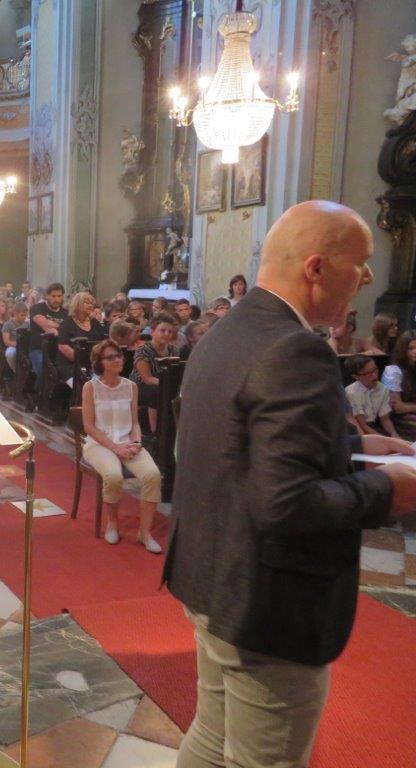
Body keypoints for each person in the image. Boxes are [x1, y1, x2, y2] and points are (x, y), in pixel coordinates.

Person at [164, 200, 416, 768]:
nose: (368, 276)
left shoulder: (229, 329)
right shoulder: (294, 347)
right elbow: (287, 503)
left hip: (211, 572)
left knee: (211, 736)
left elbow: (242, 442)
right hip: (264, 599)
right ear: (316, 267)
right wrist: (391, 490)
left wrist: (351, 445)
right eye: (360, 261)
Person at [80, 340, 163, 553]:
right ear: (100, 362)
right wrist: (115, 448)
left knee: (153, 475)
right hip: (98, 444)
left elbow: (135, 422)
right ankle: (112, 522)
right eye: (111, 357)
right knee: (113, 476)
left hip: (127, 441)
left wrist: (136, 443)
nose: (117, 360)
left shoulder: (130, 386)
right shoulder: (91, 387)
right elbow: (89, 426)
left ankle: (144, 533)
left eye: (119, 356)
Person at [129, 310, 178, 432]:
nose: (166, 334)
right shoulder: (143, 350)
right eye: (163, 330)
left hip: (165, 384)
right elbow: (147, 378)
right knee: (156, 392)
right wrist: (167, 384)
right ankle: (155, 431)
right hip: (140, 387)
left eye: (170, 331)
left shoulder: (174, 350)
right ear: (152, 332)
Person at [344, 355, 400, 438]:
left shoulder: (383, 388)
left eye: (375, 370)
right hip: (357, 429)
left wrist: (394, 434)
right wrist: (385, 439)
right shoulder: (351, 392)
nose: (374, 375)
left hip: (375, 426)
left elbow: (385, 419)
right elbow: (362, 425)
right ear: (356, 377)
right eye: (368, 373)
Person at [56, 292, 106, 384]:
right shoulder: (67, 324)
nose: (90, 305)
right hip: (72, 365)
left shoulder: (95, 322)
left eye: (91, 303)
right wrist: (82, 361)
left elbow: (103, 342)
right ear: (77, 304)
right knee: (83, 386)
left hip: (94, 364)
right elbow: (63, 346)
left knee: (104, 383)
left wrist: (97, 361)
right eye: (86, 303)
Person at [381, 329, 416, 440]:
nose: (415, 351)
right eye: (411, 348)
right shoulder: (393, 371)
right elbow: (398, 407)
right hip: (401, 419)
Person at [28, 283, 67, 378]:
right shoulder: (37, 308)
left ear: (63, 296)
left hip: (59, 349)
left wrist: (53, 326)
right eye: (53, 296)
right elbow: (44, 324)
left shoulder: (66, 313)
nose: (56, 299)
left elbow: (67, 331)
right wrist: (60, 326)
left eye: (59, 296)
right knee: (45, 371)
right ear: (47, 296)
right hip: (38, 349)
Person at [1, 302, 29, 373]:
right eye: (22, 315)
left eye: (25, 315)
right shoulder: (7, 324)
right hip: (13, 347)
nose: (24, 317)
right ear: (15, 313)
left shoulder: (27, 324)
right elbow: (6, 342)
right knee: (10, 353)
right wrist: (18, 344)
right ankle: (16, 371)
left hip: (26, 347)